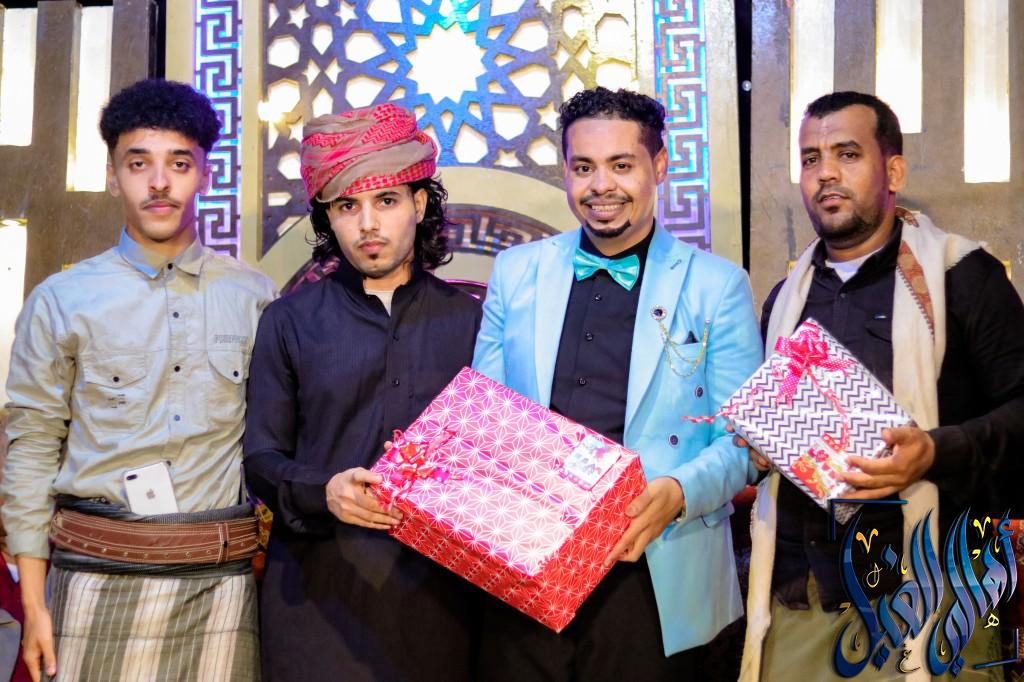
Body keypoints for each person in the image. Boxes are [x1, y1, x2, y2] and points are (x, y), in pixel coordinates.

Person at [472, 86, 763, 680]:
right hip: (529, 566)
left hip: (655, 567)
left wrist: (678, 492)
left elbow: (743, 442)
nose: (601, 185)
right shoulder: (517, 272)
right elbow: (486, 418)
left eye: (621, 165)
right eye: (584, 167)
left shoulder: (717, 285)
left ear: (659, 166)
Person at [741, 91, 1024, 681]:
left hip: (935, 595)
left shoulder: (962, 278)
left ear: (893, 171)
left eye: (847, 154)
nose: (826, 173)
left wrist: (935, 452)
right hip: (804, 598)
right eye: (811, 158)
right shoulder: (786, 299)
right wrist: (761, 447)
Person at [0, 78, 275, 682]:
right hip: (94, 577)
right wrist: (34, 604)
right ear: (112, 175)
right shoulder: (62, 299)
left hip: (218, 585)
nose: (158, 183)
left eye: (179, 163)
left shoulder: (256, 297)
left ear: (204, 174)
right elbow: (32, 447)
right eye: (138, 163)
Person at [243, 103, 483, 682]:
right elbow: (261, 460)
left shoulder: (472, 321)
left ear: (419, 204)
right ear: (328, 217)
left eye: (387, 201)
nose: (368, 224)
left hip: (444, 603)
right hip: (317, 601)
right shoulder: (288, 321)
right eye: (348, 206)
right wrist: (323, 490)